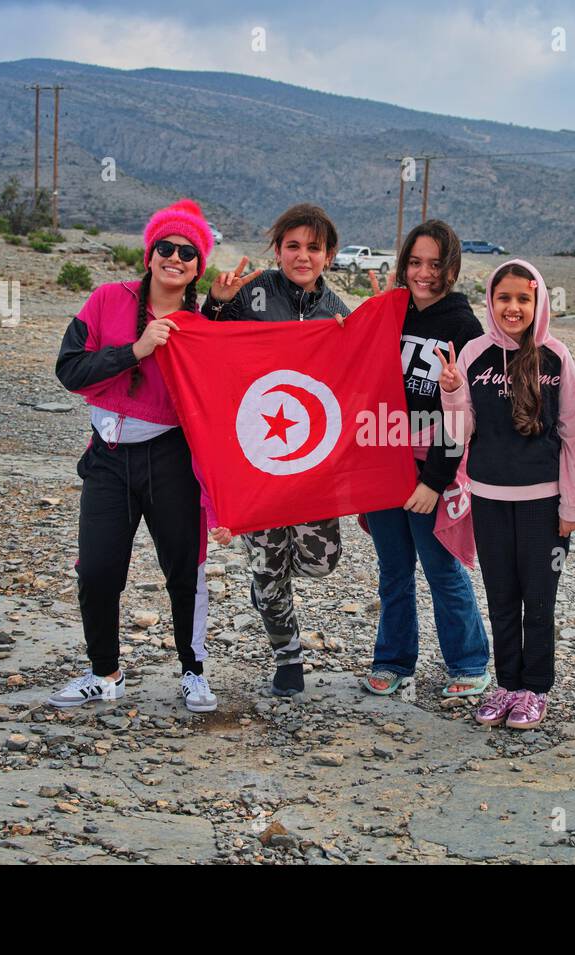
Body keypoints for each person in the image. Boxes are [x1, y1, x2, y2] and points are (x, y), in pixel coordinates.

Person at [48, 198, 218, 713]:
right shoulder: (105, 301)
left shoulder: (202, 323)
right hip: (108, 456)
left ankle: (194, 672)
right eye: (165, 246)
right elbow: (69, 370)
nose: (175, 257)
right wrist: (136, 350)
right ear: (149, 253)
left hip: (170, 459)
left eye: (188, 253)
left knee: (183, 569)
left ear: (197, 267)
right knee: (97, 570)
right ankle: (105, 672)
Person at [200, 203, 351, 697]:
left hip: (313, 463)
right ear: (278, 249)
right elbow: (209, 351)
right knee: (268, 567)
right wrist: (217, 305)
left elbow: (360, 377)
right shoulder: (253, 293)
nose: (302, 256)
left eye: (313, 247)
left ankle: (269, 586)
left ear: (328, 255)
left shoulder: (338, 312)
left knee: (320, 562)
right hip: (257, 457)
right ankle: (288, 655)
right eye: (293, 246)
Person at [438, 260, 575, 730]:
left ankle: (535, 689)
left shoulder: (556, 356)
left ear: (538, 301)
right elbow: (460, 434)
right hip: (488, 498)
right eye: (504, 298)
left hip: (544, 504)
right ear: (491, 302)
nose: (513, 307)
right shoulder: (473, 355)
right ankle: (506, 685)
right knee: (501, 597)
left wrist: (572, 504)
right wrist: (452, 394)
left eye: (524, 298)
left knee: (539, 599)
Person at [358, 220, 491, 700]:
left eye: (435, 264)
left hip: (432, 467)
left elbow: (464, 415)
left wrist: (434, 480)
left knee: (442, 567)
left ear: (451, 267)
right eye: (415, 262)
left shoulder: (463, 327)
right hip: (383, 459)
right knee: (393, 569)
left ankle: (470, 661)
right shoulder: (389, 314)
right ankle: (393, 660)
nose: (424, 273)